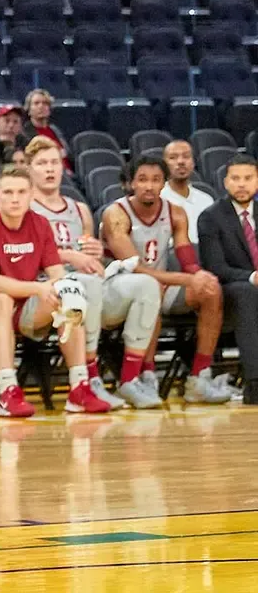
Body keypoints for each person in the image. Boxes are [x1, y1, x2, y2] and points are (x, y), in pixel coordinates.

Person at [0, 165, 112, 418]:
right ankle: (8, 391)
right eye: (8, 192)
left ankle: (79, 387)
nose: (15, 198)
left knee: (70, 296)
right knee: (1, 299)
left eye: (21, 192)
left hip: (28, 304)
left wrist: (62, 289)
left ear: (31, 194)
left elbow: (56, 273)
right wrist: (38, 288)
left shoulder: (40, 224)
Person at [26, 137, 163, 409]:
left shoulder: (79, 209)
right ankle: (90, 379)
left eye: (54, 162)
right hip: (51, 292)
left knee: (146, 284)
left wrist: (94, 250)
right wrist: (66, 255)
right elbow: (23, 257)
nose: (50, 169)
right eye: (42, 163)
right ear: (29, 169)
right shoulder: (25, 206)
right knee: (86, 284)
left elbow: (88, 252)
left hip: (92, 288)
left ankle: (129, 380)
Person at [101, 155, 231, 403]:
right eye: (142, 180)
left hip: (160, 283)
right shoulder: (116, 214)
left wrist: (198, 275)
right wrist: (184, 278)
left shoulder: (176, 213)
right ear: (131, 184)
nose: (149, 185)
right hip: (118, 289)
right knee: (150, 289)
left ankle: (199, 377)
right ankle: (147, 375)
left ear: (164, 184)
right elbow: (134, 267)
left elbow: (187, 258)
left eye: (156, 180)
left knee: (211, 289)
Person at [198, 154, 258, 404]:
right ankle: (255, 384)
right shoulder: (210, 216)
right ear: (225, 182)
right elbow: (216, 266)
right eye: (235, 178)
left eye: (248, 178)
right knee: (248, 293)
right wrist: (253, 277)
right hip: (231, 286)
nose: (242, 184)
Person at [161, 140, 215, 244]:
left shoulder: (206, 200)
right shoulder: (158, 200)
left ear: (193, 162)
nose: (181, 162)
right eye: (173, 157)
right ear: (164, 164)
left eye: (186, 156)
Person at [20, 89, 70, 171]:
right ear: (29, 110)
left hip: (70, 174)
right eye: (36, 103)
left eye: (45, 103)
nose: (41, 106)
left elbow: (67, 154)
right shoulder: (24, 133)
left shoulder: (55, 130)